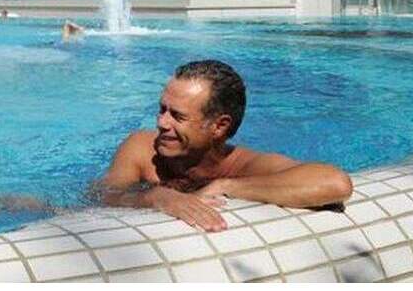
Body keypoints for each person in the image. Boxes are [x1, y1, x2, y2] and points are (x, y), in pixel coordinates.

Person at [94, 59, 352, 232]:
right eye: (162, 110)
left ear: (219, 126)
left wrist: (226, 186)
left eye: (178, 116)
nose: (162, 123)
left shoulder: (244, 165)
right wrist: (152, 196)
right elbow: (103, 196)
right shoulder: (142, 148)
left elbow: (335, 183)